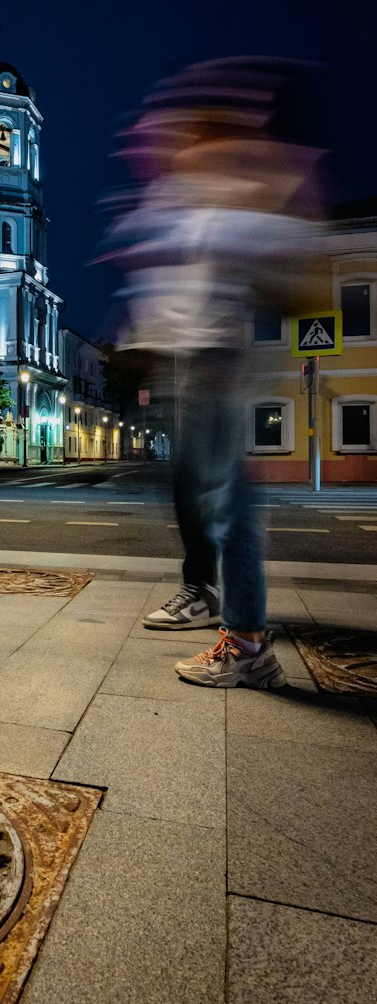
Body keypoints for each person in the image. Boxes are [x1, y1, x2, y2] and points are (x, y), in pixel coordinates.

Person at [104, 58, 324, 689]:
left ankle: (248, 645)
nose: (141, 145)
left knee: (227, 503)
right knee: (197, 494)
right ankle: (208, 600)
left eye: (158, 135)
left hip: (215, 364)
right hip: (189, 364)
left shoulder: (223, 198)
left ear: (194, 141)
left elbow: (283, 262)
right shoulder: (180, 198)